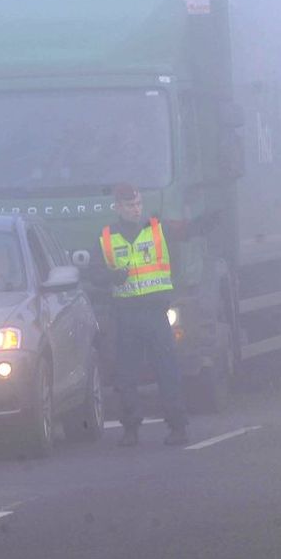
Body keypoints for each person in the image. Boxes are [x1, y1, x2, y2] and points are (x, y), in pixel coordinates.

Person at [95, 183, 190, 447]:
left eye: (138, 204)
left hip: (156, 312)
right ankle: (130, 430)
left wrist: (203, 224)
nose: (135, 210)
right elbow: (94, 273)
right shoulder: (106, 237)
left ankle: (178, 427)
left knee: (167, 371)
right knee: (126, 376)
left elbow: (185, 231)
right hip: (126, 315)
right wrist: (110, 276)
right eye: (129, 206)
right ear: (117, 208)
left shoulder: (157, 229)